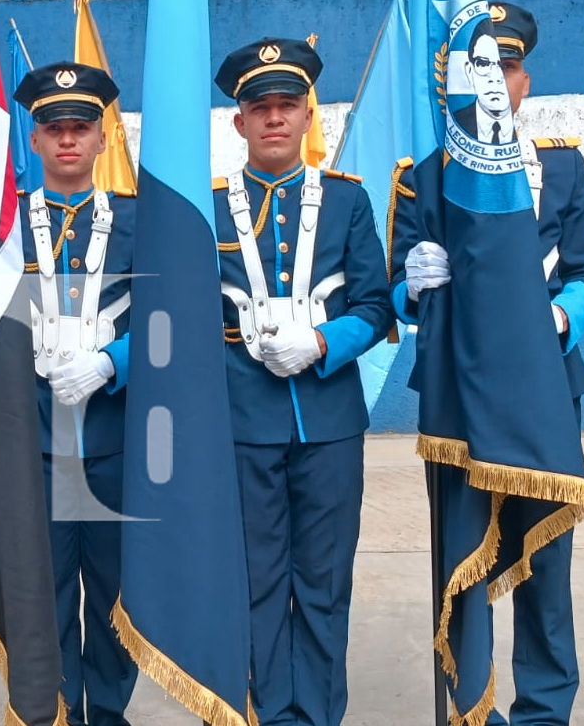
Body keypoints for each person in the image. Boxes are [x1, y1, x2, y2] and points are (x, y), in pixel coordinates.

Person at [391, 1, 584, 726]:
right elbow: (395, 285)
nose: (495, 82)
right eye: (480, 69)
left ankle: (544, 711)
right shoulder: (421, 173)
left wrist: (561, 316)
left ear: (524, 81)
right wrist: (410, 281)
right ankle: (470, 709)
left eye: (506, 68)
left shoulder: (565, 167)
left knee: (547, 569)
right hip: (456, 390)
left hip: (546, 382)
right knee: (463, 558)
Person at [212, 38, 393, 726]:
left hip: (329, 421)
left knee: (322, 582)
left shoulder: (347, 203)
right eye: (262, 108)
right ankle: (266, 711)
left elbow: (376, 309)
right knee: (256, 581)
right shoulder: (212, 205)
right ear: (241, 123)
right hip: (243, 422)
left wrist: (322, 341)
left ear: (309, 115)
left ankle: (316, 714)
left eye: (289, 105)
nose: (276, 119)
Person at [10, 63, 138, 726]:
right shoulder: (2, 230)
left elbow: (169, 320)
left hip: (113, 443)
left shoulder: (138, 222)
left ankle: (108, 715)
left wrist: (112, 362)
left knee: (116, 600)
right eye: (52, 127)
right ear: (33, 140)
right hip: (34, 447)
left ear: (101, 139)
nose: (66, 139)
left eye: (79, 127)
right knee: (46, 597)